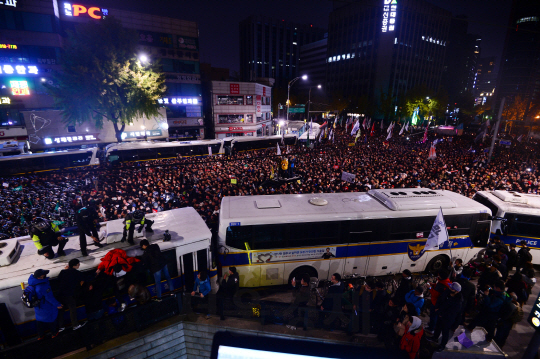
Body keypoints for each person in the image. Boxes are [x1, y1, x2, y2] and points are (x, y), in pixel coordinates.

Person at [29, 269, 63, 340]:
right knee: (52, 319)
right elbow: (49, 297)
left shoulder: (32, 283)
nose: (45, 275)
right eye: (44, 274)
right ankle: (54, 333)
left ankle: (41, 336)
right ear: (40, 277)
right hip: (47, 307)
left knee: (39, 321)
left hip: (38, 307)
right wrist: (58, 304)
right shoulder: (43, 286)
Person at [428, 282, 463, 352]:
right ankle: (435, 337)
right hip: (440, 314)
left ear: (457, 291)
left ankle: (442, 345)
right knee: (437, 327)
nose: (449, 289)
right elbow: (440, 299)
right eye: (450, 287)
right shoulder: (447, 292)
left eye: (452, 289)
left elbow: (451, 312)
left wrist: (441, 313)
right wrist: (437, 308)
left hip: (447, 319)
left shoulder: (458, 301)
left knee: (445, 332)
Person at [58, 259, 87, 330]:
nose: (79, 265)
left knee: (61, 310)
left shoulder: (63, 272)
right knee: (72, 309)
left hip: (60, 294)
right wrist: (96, 273)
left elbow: (59, 279)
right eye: (78, 264)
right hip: (69, 295)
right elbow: (86, 278)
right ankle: (75, 325)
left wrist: (67, 270)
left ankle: (61, 327)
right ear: (75, 265)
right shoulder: (77, 273)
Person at [425, 270, 451, 334]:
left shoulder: (440, 285)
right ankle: (433, 325)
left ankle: (431, 328)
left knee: (433, 316)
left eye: (439, 275)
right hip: (441, 302)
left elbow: (434, 294)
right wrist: (433, 284)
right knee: (435, 316)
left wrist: (429, 288)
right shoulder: (447, 281)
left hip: (436, 303)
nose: (438, 276)